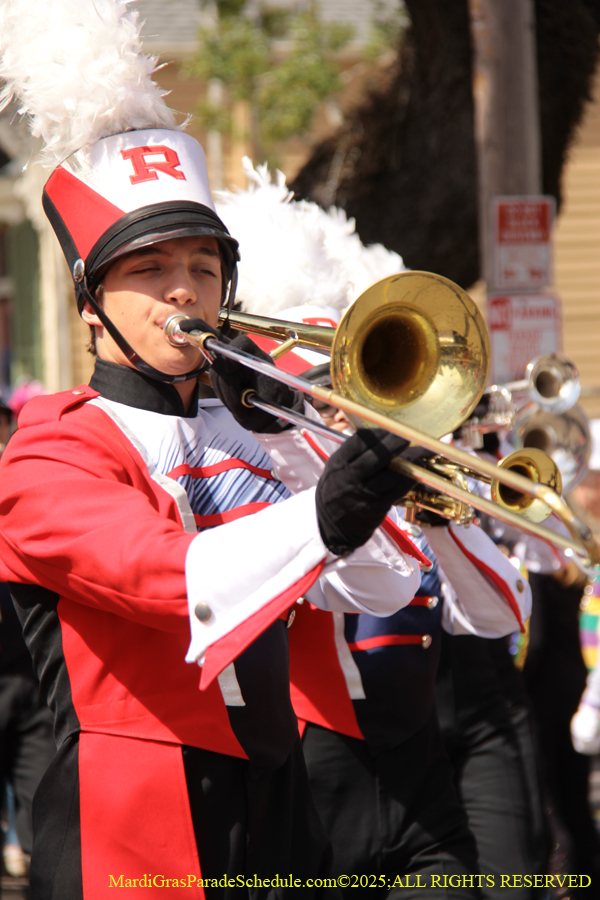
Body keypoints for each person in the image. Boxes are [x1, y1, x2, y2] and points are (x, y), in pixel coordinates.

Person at [0, 4, 430, 897]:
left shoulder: (250, 424)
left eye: (203, 265)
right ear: (90, 301)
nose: (184, 290)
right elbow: (174, 583)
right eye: (150, 270)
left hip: (280, 797)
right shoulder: (47, 451)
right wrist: (323, 510)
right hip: (131, 814)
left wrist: (310, 448)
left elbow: (383, 588)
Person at [214, 163, 533, 899]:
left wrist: (441, 516)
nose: (350, 421)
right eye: (329, 404)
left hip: (421, 788)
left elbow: (499, 614)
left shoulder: (411, 484)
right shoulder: (267, 492)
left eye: (359, 399)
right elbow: (365, 576)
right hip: (319, 783)